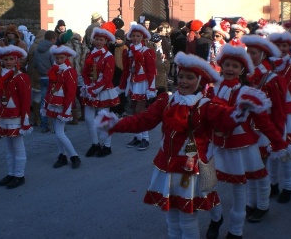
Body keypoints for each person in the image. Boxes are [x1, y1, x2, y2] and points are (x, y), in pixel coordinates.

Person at [99, 52, 265, 239]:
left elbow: (226, 119)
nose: (184, 81)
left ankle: (217, 219)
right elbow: (144, 120)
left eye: (190, 77)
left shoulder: (206, 105)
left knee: (194, 212)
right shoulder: (166, 100)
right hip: (168, 167)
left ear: (200, 80)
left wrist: (242, 108)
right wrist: (116, 124)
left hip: (196, 166)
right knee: (172, 215)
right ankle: (215, 219)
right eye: (181, 76)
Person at [207, 44, 290, 238]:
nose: (230, 69)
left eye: (235, 66)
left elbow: (264, 121)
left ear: (242, 70)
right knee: (206, 183)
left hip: (241, 147)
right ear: (221, 66)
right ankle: (216, 218)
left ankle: (236, 230)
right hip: (216, 145)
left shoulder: (247, 93)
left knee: (240, 190)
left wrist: (278, 141)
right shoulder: (212, 90)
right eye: (227, 64)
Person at [241, 35, 291, 204]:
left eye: (253, 52)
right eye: (248, 52)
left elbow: (279, 108)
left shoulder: (272, 78)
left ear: (263, 55)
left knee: (280, 154)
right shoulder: (248, 76)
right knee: (258, 161)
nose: (249, 55)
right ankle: (268, 189)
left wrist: (278, 131)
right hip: (254, 126)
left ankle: (288, 186)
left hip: (273, 123)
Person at [0, 45, 32, 189]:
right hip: (5, 115)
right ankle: (11, 173)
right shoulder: (1, 76)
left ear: (16, 60)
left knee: (18, 145)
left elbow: (25, 100)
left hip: (16, 117)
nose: (8, 62)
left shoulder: (21, 77)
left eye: (11, 59)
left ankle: (19, 175)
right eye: (5, 59)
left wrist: (25, 120)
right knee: (9, 147)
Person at [81, 23, 120, 157]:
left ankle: (107, 146)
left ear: (105, 41)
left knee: (104, 119)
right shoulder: (90, 54)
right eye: (96, 39)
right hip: (90, 90)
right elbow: (85, 72)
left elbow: (107, 77)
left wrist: (95, 89)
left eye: (101, 40)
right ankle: (95, 143)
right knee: (88, 118)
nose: (98, 42)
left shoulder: (108, 56)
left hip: (103, 91)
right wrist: (87, 86)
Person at [42, 45, 82, 169]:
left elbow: (71, 92)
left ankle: (74, 156)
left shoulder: (69, 71)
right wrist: (46, 104)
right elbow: (50, 88)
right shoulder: (55, 69)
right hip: (53, 103)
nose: (59, 60)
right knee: (57, 132)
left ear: (66, 57)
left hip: (63, 105)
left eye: (62, 58)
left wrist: (67, 109)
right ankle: (62, 155)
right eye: (57, 57)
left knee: (59, 133)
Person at [118, 24, 156, 151]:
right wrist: (123, 85)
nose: (135, 38)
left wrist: (151, 87)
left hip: (143, 84)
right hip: (133, 83)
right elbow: (126, 71)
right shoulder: (128, 52)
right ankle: (138, 136)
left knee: (140, 111)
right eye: (133, 36)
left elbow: (151, 71)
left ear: (143, 37)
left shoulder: (147, 51)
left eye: (138, 36)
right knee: (134, 111)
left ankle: (145, 138)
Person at [61, 29, 89, 124]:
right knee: (81, 95)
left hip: (70, 74)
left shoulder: (66, 47)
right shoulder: (84, 47)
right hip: (81, 74)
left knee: (71, 95)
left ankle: (74, 118)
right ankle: (84, 115)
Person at [34, 30, 57, 133]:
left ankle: (44, 125)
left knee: (44, 102)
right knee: (55, 102)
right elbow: (55, 64)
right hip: (51, 78)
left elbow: (34, 64)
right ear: (52, 39)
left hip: (42, 77)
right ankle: (57, 125)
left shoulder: (36, 49)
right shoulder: (51, 50)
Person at [26, 29, 47, 127]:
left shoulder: (32, 46)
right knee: (41, 97)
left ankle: (36, 118)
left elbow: (28, 60)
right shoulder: (44, 47)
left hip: (31, 73)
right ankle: (40, 119)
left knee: (35, 96)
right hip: (40, 74)